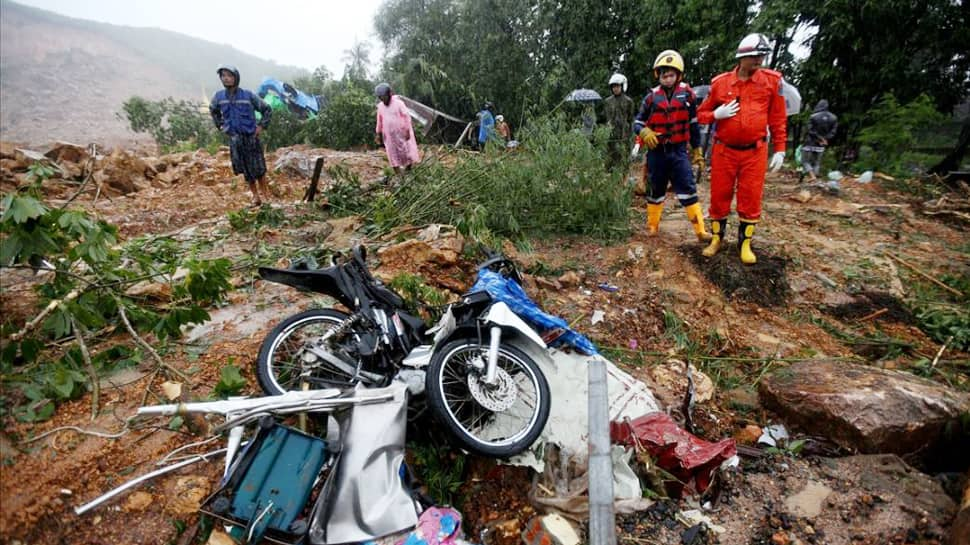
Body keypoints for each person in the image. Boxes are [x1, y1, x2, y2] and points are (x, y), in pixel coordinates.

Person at [697, 33, 787, 264]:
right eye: (754, 56)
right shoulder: (720, 84)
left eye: (762, 56)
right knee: (720, 196)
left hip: (755, 152)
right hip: (724, 150)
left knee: (750, 197)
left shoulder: (771, 82)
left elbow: (778, 118)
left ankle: (744, 244)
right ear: (742, 57)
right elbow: (701, 115)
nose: (759, 60)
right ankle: (717, 238)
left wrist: (780, 149)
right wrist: (716, 114)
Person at [632, 50, 710, 242]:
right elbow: (637, 122)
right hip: (657, 152)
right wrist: (644, 132)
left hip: (679, 151)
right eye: (664, 75)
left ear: (678, 75)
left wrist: (697, 150)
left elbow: (693, 124)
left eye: (671, 75)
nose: (667, 79)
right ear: (658, 75)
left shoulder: (688, 95)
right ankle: (652, 227)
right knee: (655, 190)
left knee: (688, 188)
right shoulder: (651, 97)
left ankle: (700, 231)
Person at [210, 64, 272, 207]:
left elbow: (267, 109)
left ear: (236, 78)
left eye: (229, 76)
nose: (226, 79)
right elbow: (213, 111)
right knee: (245, 169)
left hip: (251, 137)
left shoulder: (248, 95)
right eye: (223, 76)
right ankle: (256, 197)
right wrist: (220, 126)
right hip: (235, 139)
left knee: (259, 169)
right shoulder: (219, 97)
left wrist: (261, 126)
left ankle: (266, 196)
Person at [375, 83, 421, 174]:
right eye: (380, 97)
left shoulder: (398, 103)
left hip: (402, 133)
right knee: (392, 154)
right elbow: (379, 121)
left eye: (384, 96)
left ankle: (408, 170)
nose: (382, 99)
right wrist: (379, 134)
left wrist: (407, 130)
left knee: (407, 151)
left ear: (389, 94)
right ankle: (398, 175)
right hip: (389, 136)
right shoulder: (380, 107)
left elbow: (407, 117)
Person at [604, 73, 636, 172]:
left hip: (624, 134)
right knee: (611, 155)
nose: (615, 88)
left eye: (617, 86)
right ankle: (610, 176)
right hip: (611, 133)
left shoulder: (628, 101)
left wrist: (630, 133)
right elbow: (607, 117)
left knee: (624, 155)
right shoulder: (608, 101)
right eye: (613, 86)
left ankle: (624, 176)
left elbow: (631, 118)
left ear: (622, 86)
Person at [801, 99, 838, 182]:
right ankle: (815, 181)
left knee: (805, 161)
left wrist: (819, 138)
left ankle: (812, 176)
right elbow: (833, 132)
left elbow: (810, 130)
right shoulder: (834, 118)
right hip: (821, 144)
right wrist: (824, 139)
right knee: (817, 163)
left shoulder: (813, 116)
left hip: (809, 142)